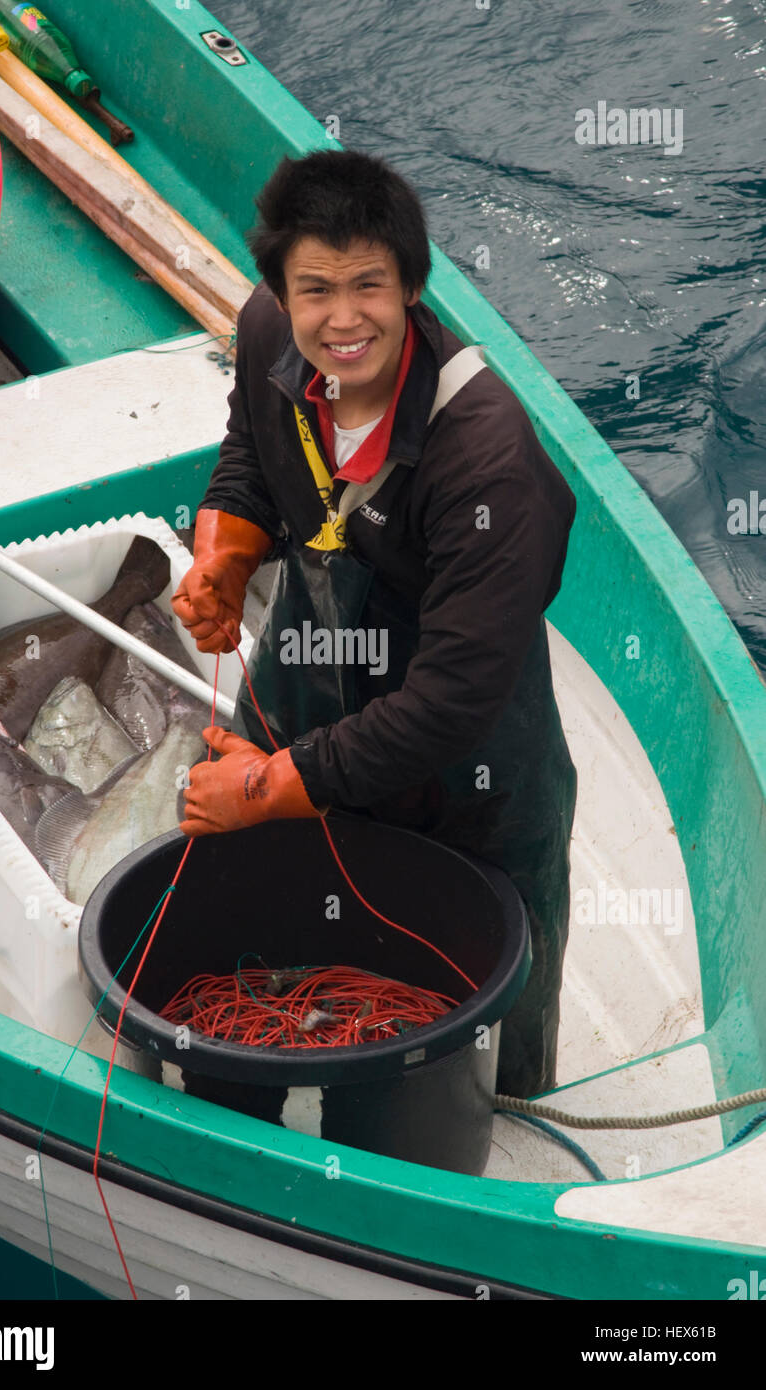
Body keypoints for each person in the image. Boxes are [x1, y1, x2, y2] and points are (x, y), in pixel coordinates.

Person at [171, 148, 577, 1098]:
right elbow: (249, 448)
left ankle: (500, 1104)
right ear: (278, 289)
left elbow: (450, 704)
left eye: (370, 287)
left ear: (412, 286)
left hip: (468, 731)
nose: (342, 319)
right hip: (317, 646)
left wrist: (273, 784)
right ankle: (276, 1045)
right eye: (315, 289)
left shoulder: (487, 463)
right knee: (267, 882)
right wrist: (225, 554)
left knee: (492, 942)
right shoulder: (271, 331)